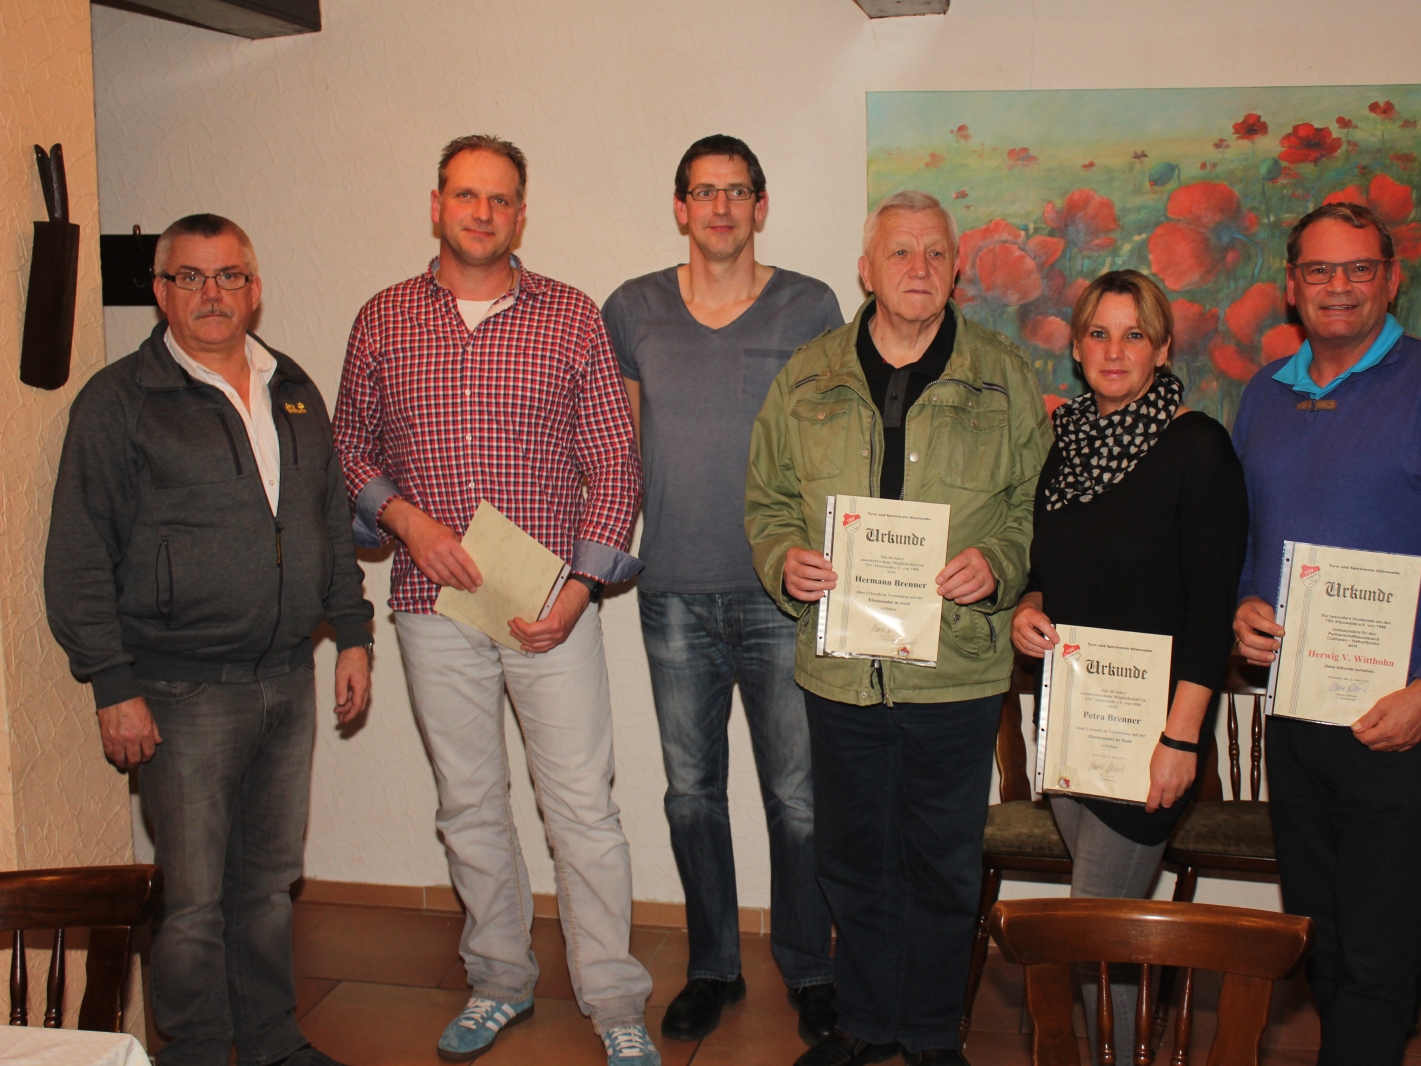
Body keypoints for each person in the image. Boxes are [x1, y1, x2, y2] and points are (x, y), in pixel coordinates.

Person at [331, 135, 658, 1066]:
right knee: (469, 805)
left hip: (550, 608)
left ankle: (614, 1000)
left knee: (582, 811)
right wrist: (407, 523)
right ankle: (499, 981)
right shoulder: (384, 318)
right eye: (467, 195)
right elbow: (349, 447)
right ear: (437, 205)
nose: (483, 212)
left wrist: (583, 588)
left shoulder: (570, 316)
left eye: (501, 198)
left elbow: (616, 462)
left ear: (521, 214)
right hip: (430, 604)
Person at [44, 214, 373, 1066]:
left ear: (254, 289)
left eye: (229, 275)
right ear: (161, 292)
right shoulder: (120, 402)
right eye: (189, 276)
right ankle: (194, 1050)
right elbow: (78, 554)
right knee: (191, 901)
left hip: (286, 678)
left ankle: (269, 1040)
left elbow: (326, 519)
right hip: (178, 691)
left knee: (266, 887)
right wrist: (113, 683)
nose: (212, 293)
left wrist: (353, 635)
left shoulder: (291, 385)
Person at [746, 190, 1050, 1066]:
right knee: (850, 857)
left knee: (942, 862)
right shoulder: (808, 376)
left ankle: (928, 1031)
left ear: (957, 271)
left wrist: (999, 562)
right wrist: (784, 560)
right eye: (900, 252)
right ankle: (866, 1022)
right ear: (865, 270)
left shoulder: (1003, 377)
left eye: (935, 253)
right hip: (841, 668)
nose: (919, 268)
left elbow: (1036, 507)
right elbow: (767, 499)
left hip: (954, 668)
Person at [1232, 202, 1421, 1066]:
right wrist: (1242, 606)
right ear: (1292, 286)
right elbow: (1248, 540)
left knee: (1380, 944)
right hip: (1296, 712)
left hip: (1402, 716)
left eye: (1360, 268)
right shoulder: (1265, 395)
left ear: (1392, 280)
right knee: (1319, 931)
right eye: (1320, 270)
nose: (1340, 286)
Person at [602, 135, 845, 1046]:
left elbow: (835, 443)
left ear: (760, 205)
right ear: (680, 207)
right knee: (692, 795)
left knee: (798, 798)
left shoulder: (810, 305)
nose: (720, 207)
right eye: (704, 192)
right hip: (671, 592)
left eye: (737, 191)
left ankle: (810, 968)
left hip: (782, 594)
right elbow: (614, 449)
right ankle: (712, 966)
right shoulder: (632, 309)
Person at [1010, 270, 1247, 1064]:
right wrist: (1029, 604)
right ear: (1077, 349)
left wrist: (1181, 741)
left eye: (1134, 334)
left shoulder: (1197, 448)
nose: (1115, 351)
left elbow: (1210, 608)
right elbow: (1052, 569)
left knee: (1094, 919)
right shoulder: (1068, 446)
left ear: (1163, 348)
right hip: (1075, 721)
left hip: (1151, 733)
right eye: (1099, 334)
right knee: (1102, 928)